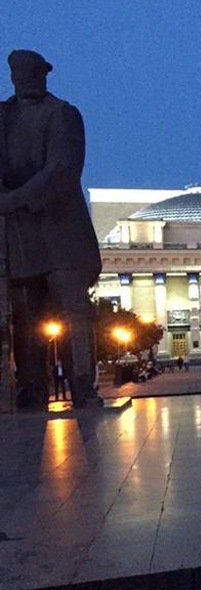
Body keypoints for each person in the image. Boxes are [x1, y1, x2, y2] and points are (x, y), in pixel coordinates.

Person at [0, 50, 105, 409]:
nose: (25, 79)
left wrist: (14, 199)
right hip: (21, 235)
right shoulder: (3, 116)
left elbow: (62, 169)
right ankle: (31, 389)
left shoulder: (62, 114)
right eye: (18, 74)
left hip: (61, 233)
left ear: (44, 75)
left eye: (32, 73)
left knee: (75, 313)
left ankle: (83, 387)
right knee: (25, 316)